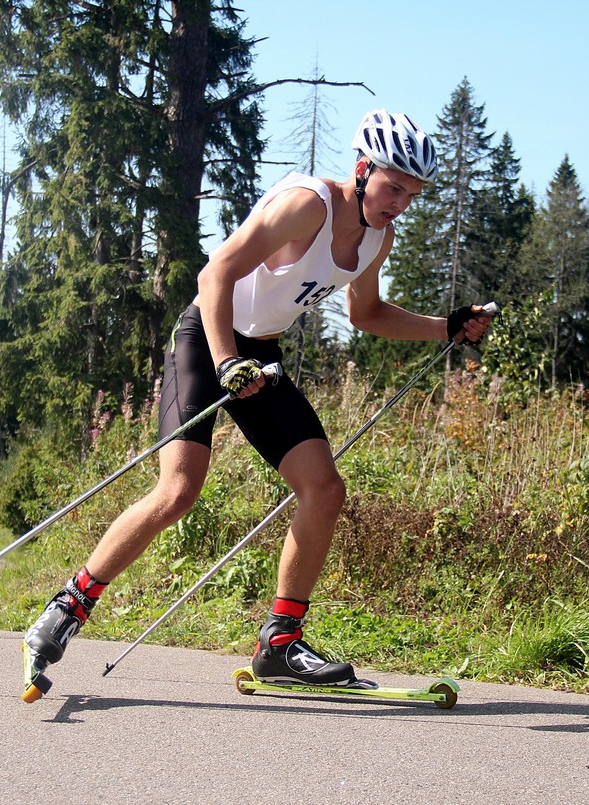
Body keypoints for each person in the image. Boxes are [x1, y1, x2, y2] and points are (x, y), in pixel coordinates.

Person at [24, 109, 493, 687]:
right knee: (177, 492)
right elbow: (215, 275)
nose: (399, 202)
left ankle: (279, 644)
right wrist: (226, 362)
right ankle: (70, 604)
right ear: (363, 168)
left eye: (411, 194)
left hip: (260, 356)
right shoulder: (306, 205)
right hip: (207, 338)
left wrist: (445, 326)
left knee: (324, 487)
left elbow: (365, 314)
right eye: (393, 186)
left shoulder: (378, 238)